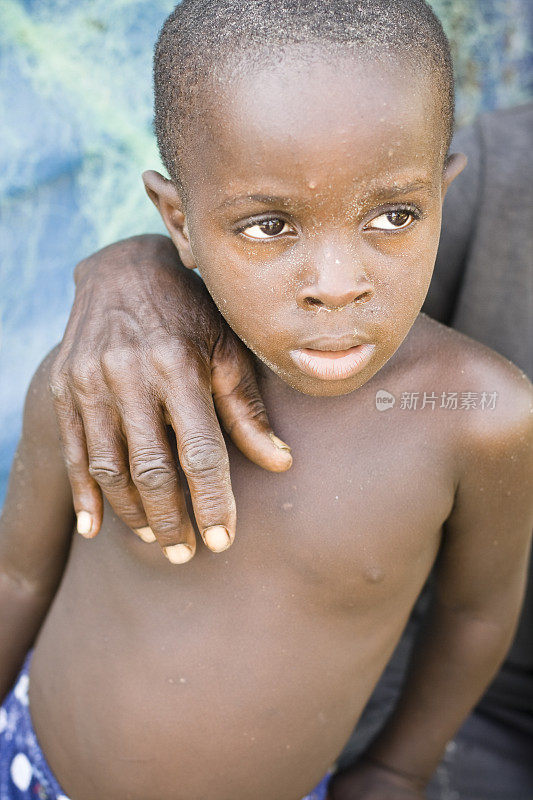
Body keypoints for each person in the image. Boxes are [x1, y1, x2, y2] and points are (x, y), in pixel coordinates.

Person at [1, 2, 532, 799]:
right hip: (29, 768)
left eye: (393, 215)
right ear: (178, 222)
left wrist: (397, 766)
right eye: (268, 225)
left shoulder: (481, 420)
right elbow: (16, 576)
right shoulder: (107, 375)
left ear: (441, 194)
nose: (335, 284)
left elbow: (477, 616)